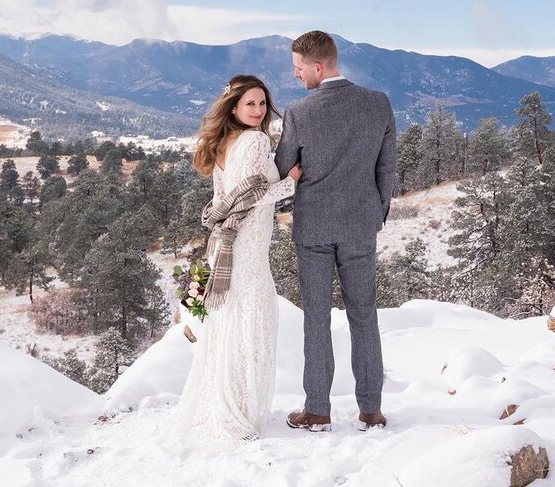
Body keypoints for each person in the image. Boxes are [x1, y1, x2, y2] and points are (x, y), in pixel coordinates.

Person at [169, 74, 301, 450]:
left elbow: (223, 198)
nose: (259, 111)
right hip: (246, 245)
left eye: (263, 103)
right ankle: (239, 409)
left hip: (226, 242)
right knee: (253, 321)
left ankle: (226, 402)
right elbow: (251, 196)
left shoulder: (224, 142)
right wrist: (290, 181)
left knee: (232, 323)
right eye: (251, 104)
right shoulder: (256, 141)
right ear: (234, 107)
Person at [275, 31, 396, 433]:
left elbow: (282, 169)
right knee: (365, 315)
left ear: (318, 66)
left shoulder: (299, 113)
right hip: (361, 225)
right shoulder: (378, 104)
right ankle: (371, 410)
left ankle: (318, 410)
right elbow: (386, 169)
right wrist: (375, 214)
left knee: (316, 318)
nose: (296, 76)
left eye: (298, 68)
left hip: (313, 227)